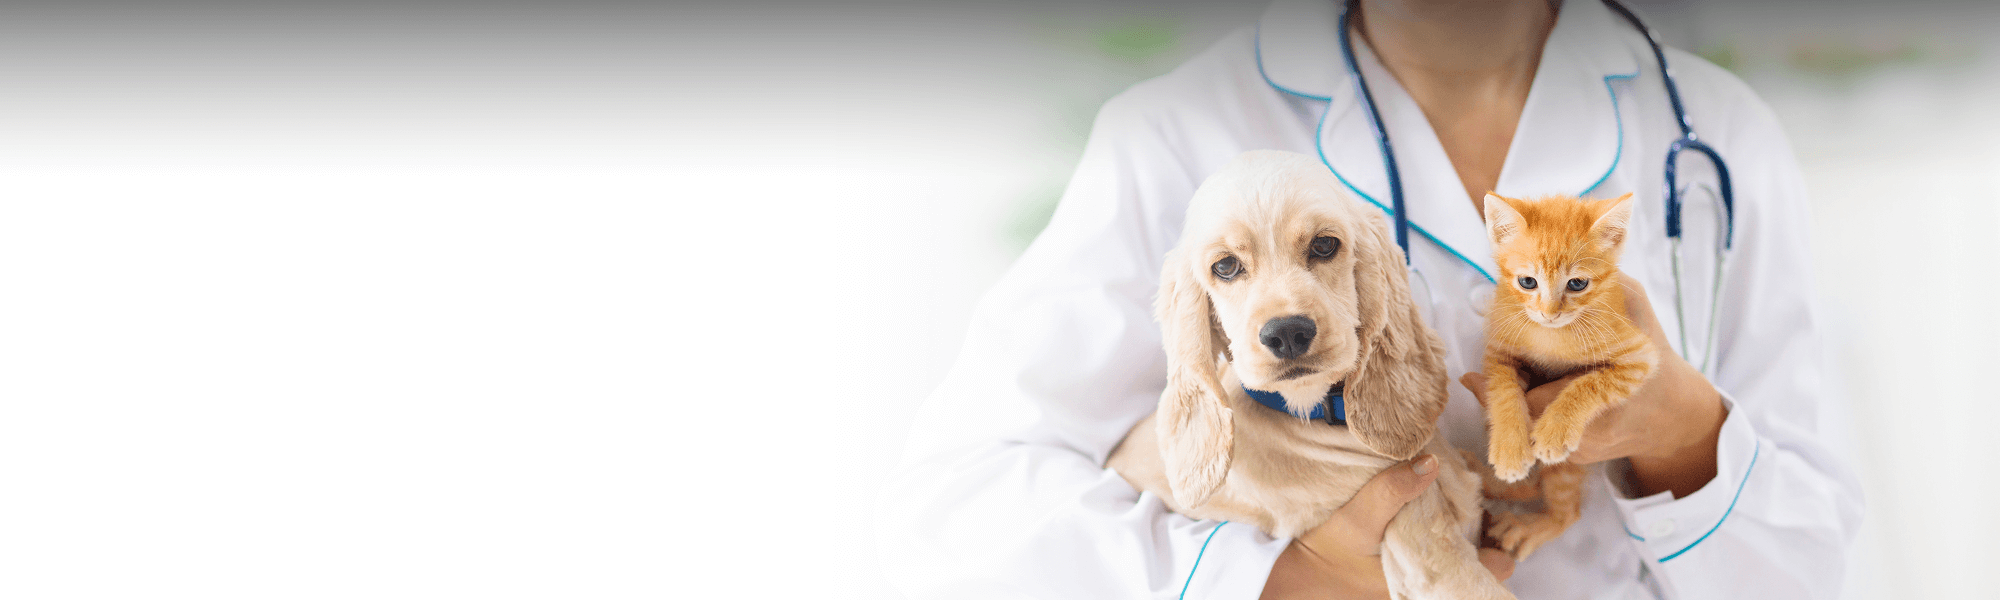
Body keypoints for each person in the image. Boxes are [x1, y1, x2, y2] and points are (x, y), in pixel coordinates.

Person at [876, 0, 1863, 598]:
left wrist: (1682, 430)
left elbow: (1807, 571)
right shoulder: (1170, 135)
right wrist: (1288, 582)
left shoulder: (1715, 137)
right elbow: (956, 518)